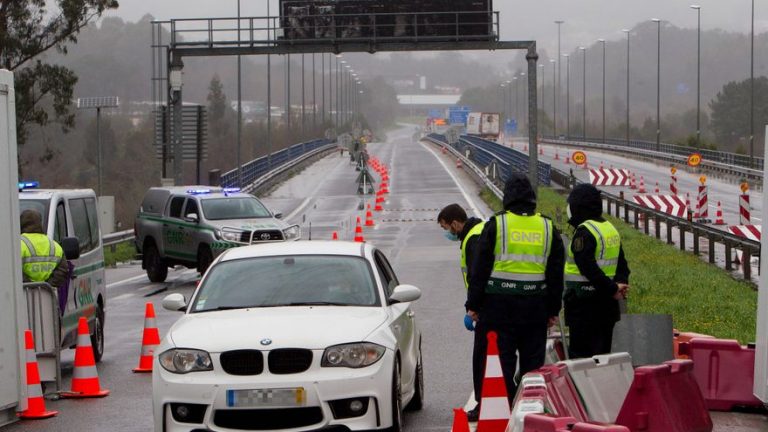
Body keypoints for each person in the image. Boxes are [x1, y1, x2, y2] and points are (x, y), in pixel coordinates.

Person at [467, 173, 565, 411]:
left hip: (497, 308)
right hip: (535, 308)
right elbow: (555, 275)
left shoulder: (496, 225)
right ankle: (530, 412)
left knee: (500, 364)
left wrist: (473, 305)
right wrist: (552, 310)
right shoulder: (547, 227)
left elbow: (479, 270)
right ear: (532, 198)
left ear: (507, 197)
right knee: (533, 366)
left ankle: (504, 409)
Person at [564, 184, 630, 359]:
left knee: (581, 359)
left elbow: (588, 267)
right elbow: (622, 264)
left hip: (584, 306)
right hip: (607, 307)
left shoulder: (584, 232)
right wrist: (620, 286)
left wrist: (612, 289)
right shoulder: (609, 228)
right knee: (603, 356)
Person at [437, 203, 485, 420]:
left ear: (455, 223)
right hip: (498, 304)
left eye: (446, 228)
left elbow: (477, 277)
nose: (448, 233)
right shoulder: (479, 230)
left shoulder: (473, 239)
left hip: (486, 309)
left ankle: (483, 405)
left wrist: (472, 308)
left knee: (481, 359)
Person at [20, 209, 69, 290]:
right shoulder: (55, 245)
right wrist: (47, 286)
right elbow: (63, 270)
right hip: (48, 296)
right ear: (40, 223)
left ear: (22, 223)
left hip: (24, 295)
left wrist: (29, 285)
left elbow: (13, 270)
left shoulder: (18, 244)